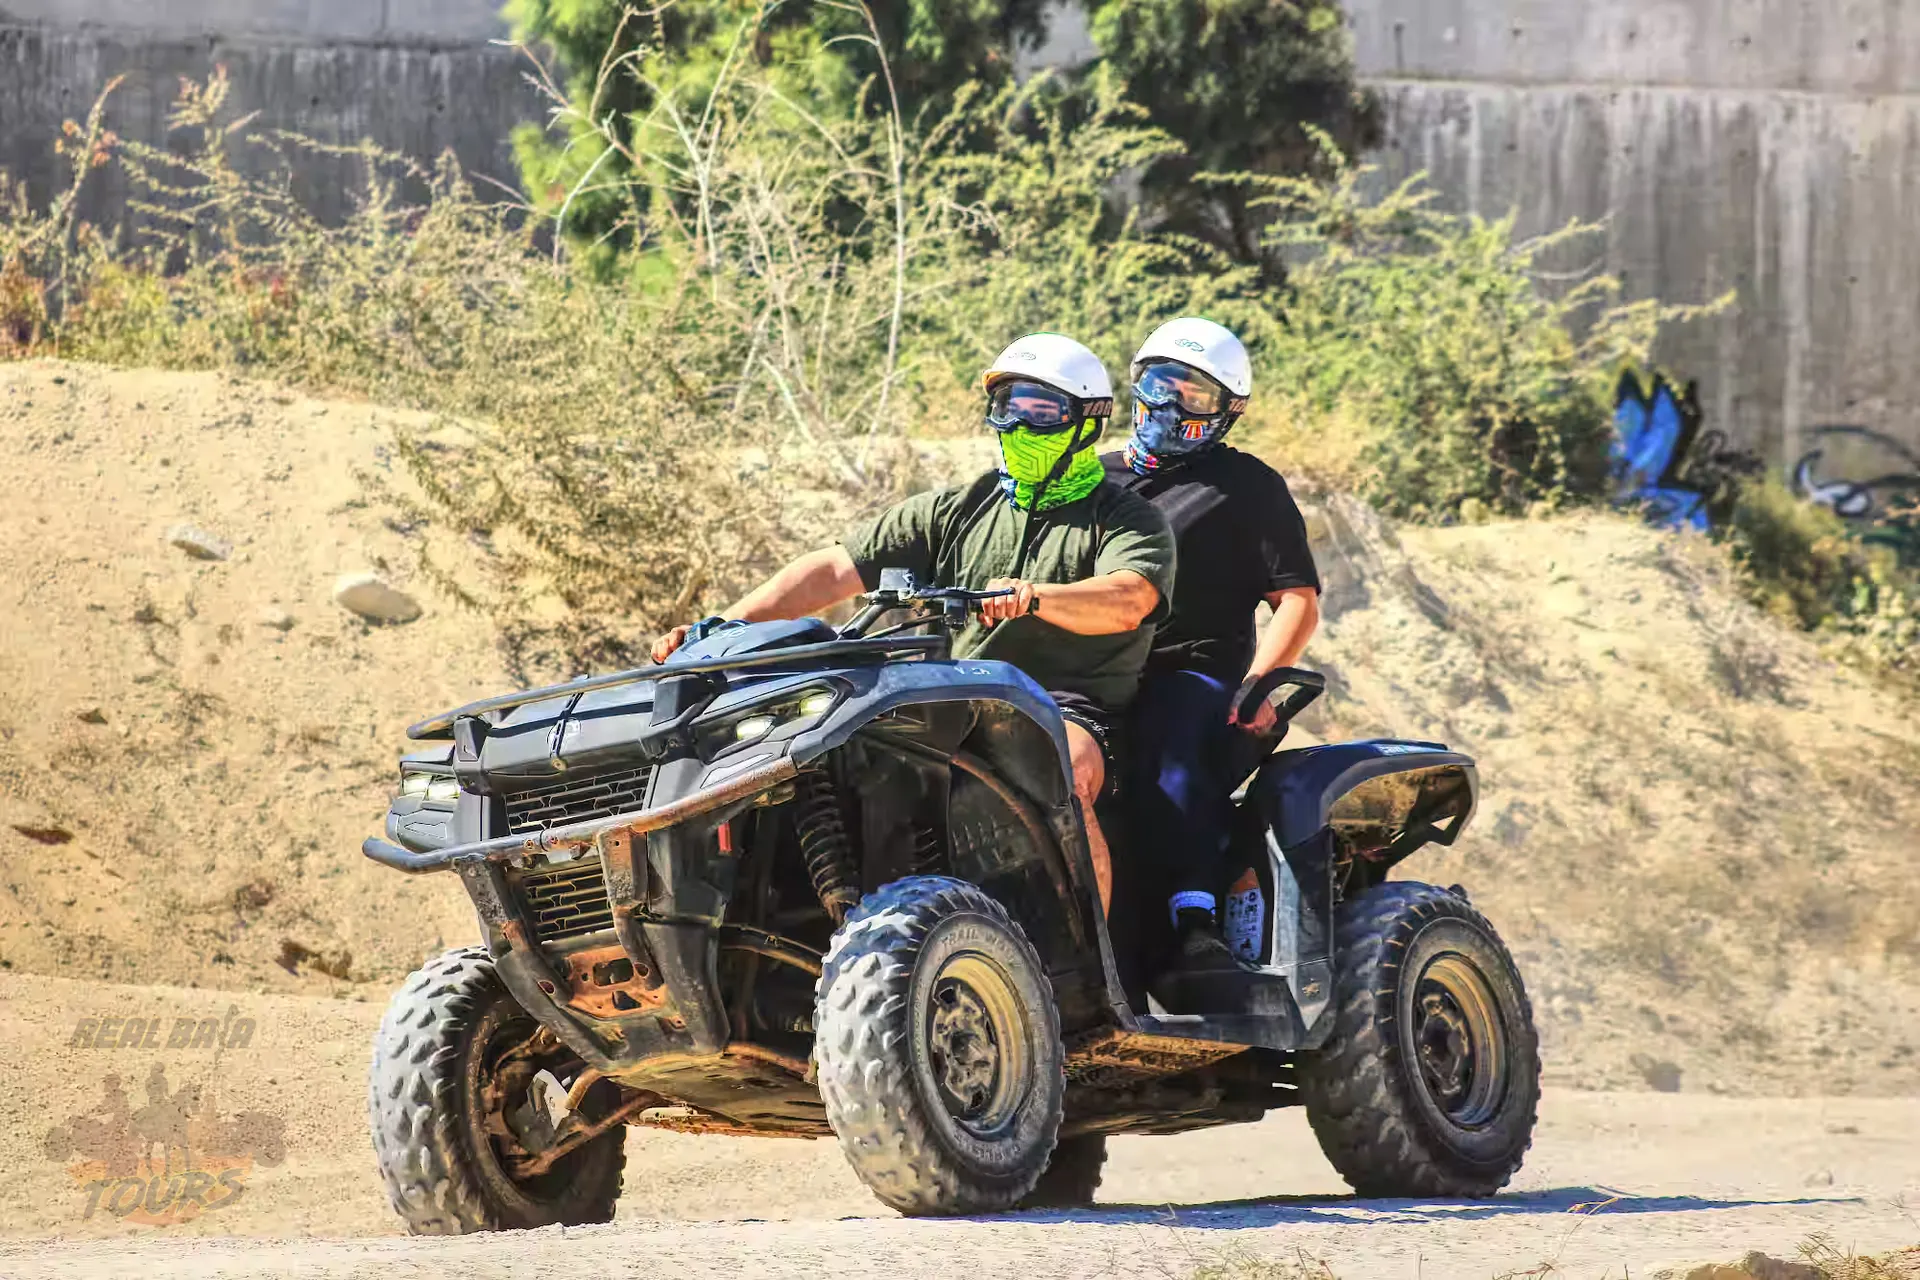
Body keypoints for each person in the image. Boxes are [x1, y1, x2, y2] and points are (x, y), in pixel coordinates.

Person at [653, 333, 1175, 914]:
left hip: (1065, 705)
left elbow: (1129, 597)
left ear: (1086, 422)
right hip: (951, 692)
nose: (1018, 426)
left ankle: (1087, 988)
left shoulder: (1127, 517)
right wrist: (723, 625)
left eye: (1040, 410)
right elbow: (830, 569)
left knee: (1066, 775)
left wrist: (1034, 598)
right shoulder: (958, 507)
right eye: (1007, 407)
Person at [1102, 316, 1322, 1007]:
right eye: (1158, 383)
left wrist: (1258, 685)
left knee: (1169, 738)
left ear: (1230, 409)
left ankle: (1193, 925)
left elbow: (1298, 601)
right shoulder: (1090, 478)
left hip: (1189, 672)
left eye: (1193, 394)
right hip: (1090, 672)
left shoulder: (1247, 487)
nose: (1169, 404)